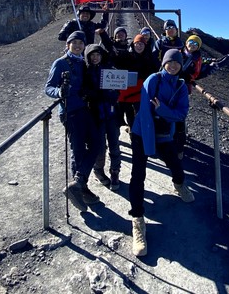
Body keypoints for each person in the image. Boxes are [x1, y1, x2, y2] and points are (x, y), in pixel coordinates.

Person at [129, 49, 195, 257]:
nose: (173, 66)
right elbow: (146, 114)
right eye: (170, 62)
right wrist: (149, 147)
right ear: (164, 63)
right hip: (142, 133)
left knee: (176, 165)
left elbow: (182, 114)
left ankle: (179, 185)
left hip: (165, 133)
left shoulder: (181, 86)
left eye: (177, 63)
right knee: (138, 174)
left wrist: (163, 110)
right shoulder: (153, 80)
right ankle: (137, 221)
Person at [45, 31, 101, 211]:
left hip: (84, 109)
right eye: (74, 42)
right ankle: (81, 190)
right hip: (70, 111)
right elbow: (49, 87)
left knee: (96, 144)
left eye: (80, 43)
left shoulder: (83, 63)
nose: (78, 45)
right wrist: (60, 92)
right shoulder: (60, 63)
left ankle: (77, 184)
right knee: (77, 149)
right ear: (68, 44)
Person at [83, 43, 123, 191]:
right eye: (92, 55)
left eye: (97, 55)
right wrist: (96, 94)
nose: (95, 58)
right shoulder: (85, 72)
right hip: (95, 115)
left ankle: (115, 172)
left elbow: (118, 89)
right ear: (88, 57)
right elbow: (84, 90)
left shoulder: (109, 70)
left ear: (101, 56)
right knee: (99, 146)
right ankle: (98, 170)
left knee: (114, 144)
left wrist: (112, 93)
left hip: (111, 113)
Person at [101, 31, 160, 128]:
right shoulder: (126, 56)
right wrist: (103, 35)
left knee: (138, 115)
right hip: (126, 93)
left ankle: (135, 134)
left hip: (140, 93)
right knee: (123, 116)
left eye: (141, 44)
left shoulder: (150, 59)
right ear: (133, 44)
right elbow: (112, 51)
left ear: (145, 45)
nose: (139, 46)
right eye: (137, 43)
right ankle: (126, 130)